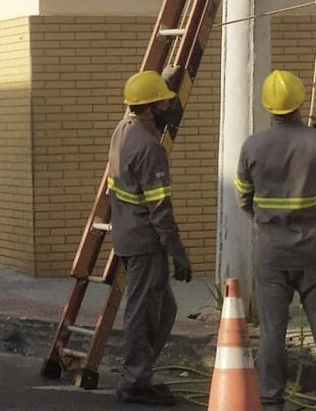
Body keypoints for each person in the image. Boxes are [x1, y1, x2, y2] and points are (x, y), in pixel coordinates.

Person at [234, 69, 316, 411]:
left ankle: (270, 400)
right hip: (313, 254)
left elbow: (244, 198)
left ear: (268, 105)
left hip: (272, 254)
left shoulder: (252, 146)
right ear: (300, 102)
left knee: (273, 330)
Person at [107, 70, 192, 407]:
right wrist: (179, 253)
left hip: (127, 235)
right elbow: (160, 210)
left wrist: (167, 78)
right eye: (164, 103)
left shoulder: (123, 130)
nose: (169, 107)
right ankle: (134, 380)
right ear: (151, 109)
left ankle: (140, 373)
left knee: (163, 309)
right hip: (144, 242)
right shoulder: (149, 148)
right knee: (144, 314)